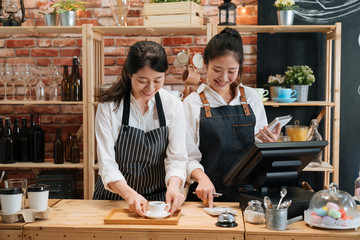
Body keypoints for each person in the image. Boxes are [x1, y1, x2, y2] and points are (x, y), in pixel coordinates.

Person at [183, 28, 281, 207]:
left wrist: (270, 145)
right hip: (207, 197)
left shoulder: (251, 97)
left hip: (250, 196)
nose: (224, 78)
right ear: (205, 64)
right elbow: (187, 156)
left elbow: (258, 150)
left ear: (240, 68)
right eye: (217, 70)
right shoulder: (192, 103)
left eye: (232, 71)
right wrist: (202, 178)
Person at [93, 41, 187, 216]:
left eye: (158, 80)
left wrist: (174, 187)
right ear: (129, 74)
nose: (150, 88)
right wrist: (129, 195)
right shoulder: (109, 107)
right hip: (113, 199)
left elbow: (177, 159)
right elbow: (107, 165)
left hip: (158, 203)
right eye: (142, 81)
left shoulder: (173, 106)